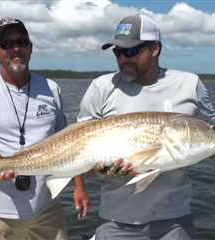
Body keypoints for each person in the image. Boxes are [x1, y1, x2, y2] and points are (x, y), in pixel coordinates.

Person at [77, 13, 215, 240]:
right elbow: (78, 147)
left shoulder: (190, 85)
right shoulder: (101, 88)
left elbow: (211, 135)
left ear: (155, 49)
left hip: (175, 222)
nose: (122, 59)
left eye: (130, 51)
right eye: (117, 52)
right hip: (115, 221)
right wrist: (94, 169)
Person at [0, 17, 89, 240]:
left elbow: (72, 143)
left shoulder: (51, 88)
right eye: (6, 44)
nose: (16, 48)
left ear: (30, 47)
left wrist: (79, 187)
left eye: (22, 42)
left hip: (47, 208)